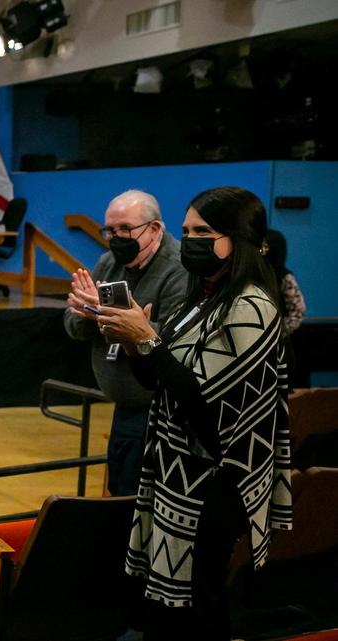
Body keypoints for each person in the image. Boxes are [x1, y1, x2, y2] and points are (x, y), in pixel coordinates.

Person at [98, 186, 293, 641]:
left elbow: (209, 412)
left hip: (214, 484)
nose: (190, 241)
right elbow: (161, 384)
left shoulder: (251, 306)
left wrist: (148, 340)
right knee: (173, 611)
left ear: (237, 239)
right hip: (178, 474)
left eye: (203, 232)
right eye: (186, 232)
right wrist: (135, 343)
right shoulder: (201, 300)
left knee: (201, 609)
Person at [64, 190, 187, 496]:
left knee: (134, 496)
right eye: (110, 230)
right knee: (118, 488)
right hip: (122, 404)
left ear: (154, 229)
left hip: (159, 410)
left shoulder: (179, 268)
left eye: (125, 229)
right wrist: (86, 312)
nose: (115, 237)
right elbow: (73, 326)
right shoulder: (109, 263)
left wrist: (103, 311)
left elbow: (174, 338)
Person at [264, 229, 306, 386]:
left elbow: (298, 312)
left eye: (265, 247)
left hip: (287, 343)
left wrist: (277, 332)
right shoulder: (259, 275)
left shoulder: (285, 276)